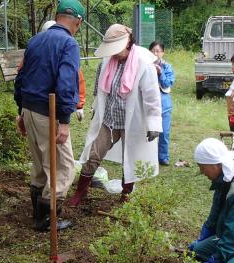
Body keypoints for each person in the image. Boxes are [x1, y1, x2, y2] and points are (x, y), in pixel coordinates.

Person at [69, 24, 162, 205]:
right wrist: (95, 109)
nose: (113, 53)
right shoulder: (106, 62)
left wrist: (154, 124)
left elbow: (152, 97)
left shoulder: (144, 64)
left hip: (132, 122)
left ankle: (125, 195)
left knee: (130, 158)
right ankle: (80, 192)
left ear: (127, 44)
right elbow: (100, 91)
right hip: (109, 120)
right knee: (94, 154)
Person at [14, 0, 85, 231]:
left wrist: (20, 112)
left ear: (56, 16)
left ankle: (38, 212)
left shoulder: (36, 40)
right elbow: (66, 85)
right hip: (48, 112)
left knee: (40, 163)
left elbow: (21, 76)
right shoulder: (68, 44)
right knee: (63, 167)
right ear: (78, 22)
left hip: (29, 108)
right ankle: (47, 219)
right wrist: (64, 122)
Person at [41, 20, 87, 122]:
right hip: (42, 107)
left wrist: (79, 105)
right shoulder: (38, 49)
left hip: (53, 107)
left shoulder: (65, 50)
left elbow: (76, 80)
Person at [149, 41, 175, 166]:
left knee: (164, 132)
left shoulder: (167, 67)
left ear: (162, 53)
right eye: (153, 50)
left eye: (158, 51)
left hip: (164, 105)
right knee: (149, 130)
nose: (155, 53)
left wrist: (160, 73)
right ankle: (149, 155)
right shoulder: (145, 65)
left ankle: (163, 157)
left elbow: (167, 84)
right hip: (149, 104)